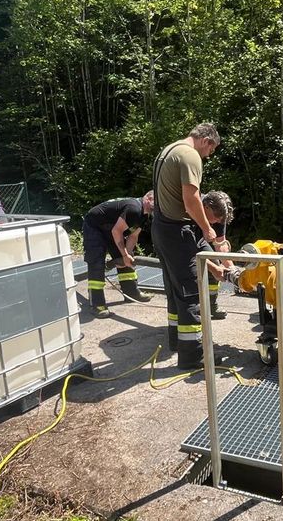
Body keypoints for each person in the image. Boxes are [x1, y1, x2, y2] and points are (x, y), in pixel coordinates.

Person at [151, 123, 227, 369]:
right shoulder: (190, 155)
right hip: (176, 231)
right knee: (190, 294)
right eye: (211, 150)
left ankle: (176, 341)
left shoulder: (169, 150)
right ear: (206, 140)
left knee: (175, 291)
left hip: (161, 228)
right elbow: (191, 198)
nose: (209, 155)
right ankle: (193, 355)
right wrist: (206, 228)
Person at [82, 191, 155, 318]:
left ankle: (132, 292)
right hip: (94, 226)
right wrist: (124, 255)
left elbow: (133, 236)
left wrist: (127, 255)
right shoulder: (134, 208)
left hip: (110, 228)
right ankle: (97, 303)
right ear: (148, 199)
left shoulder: (144, 215)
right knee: (97, 262)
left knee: (126, 257)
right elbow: (117, 231)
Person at [203, 190, 235, 320]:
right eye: (215, 217)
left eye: (220, 219)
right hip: (177, 241)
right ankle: (191, 309)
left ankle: (211, 305)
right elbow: (187, 251)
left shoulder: (219, 216)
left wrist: (232, 269)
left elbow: (220, 244)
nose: (216, 222)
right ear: (206, 207)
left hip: (200, 241)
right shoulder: (192, 209)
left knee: (215, 265)